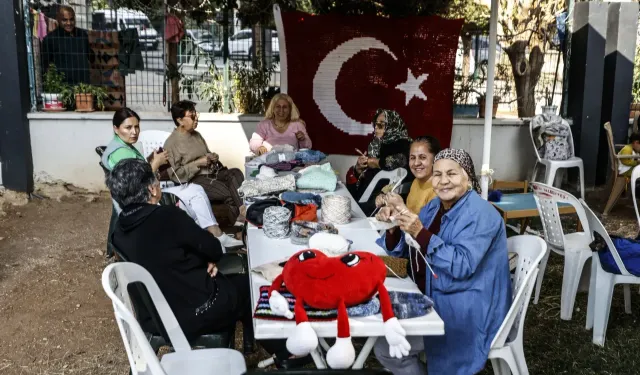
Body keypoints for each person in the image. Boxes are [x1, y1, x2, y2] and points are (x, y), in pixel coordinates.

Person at [373, 148, 512, 375]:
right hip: (435, 295)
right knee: (385, 340)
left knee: (388, 348)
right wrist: (395, 224)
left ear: (468, 176)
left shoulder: (482, 214)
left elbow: (461, 265)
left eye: (452, 174)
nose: (443, 181)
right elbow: (411, 248)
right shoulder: (435, 206)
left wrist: (419, 231)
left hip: (467, 309)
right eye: (437, 174)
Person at [106, 159, 254, 352]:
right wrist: (205, 258)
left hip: (154, 318)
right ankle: (269, 350)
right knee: (246, 285)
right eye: (157, 180)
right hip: (193, 315)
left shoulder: (118, 231)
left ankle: (246, 343)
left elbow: (163, 257)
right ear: (152, 189)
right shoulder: (168, 216)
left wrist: (201, 258)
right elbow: (214, 249)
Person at [102, 107, 242, 249]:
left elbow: (138, 172)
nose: (134, 132)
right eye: (128, 127)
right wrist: (155, 164)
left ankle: (214, 234)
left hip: (148, 194)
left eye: (137, 126)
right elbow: (133, 186)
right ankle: (210, 239)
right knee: (194, 194)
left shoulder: (125, 146)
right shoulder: (120, 152)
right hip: (142, 200)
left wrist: (152, 160)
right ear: (116, 128)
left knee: (196, 190)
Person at [164, 100, 246, 226]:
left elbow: (205, 154)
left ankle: (242, 213)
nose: (196, 118)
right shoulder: (171, 143)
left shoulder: (197, 135)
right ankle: (239, 230)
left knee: (236, 172)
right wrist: (198, 163)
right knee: (230, 193)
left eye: (196, 114)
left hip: (211, 174)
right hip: (193, 180)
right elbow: (175, 175)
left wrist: (211, 157)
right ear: (180, 120)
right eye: (192, 116)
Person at [346, 109, 413, 214]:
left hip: (381, 203)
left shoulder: (405, 144)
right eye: (375, 125)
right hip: (365, 195)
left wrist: (377, 162)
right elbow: (367, 174)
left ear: (393, 127)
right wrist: (359, 168)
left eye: (381, 125)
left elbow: (401, 159)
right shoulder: (376, 145)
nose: (376, 128)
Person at [375, 135, 441, 215]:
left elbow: (424, 226)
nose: (416, 163)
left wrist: (400, 207)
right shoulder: (416, 182)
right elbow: (411, 212)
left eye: (423, 157)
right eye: (412, 158)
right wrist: (392, 211)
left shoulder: (438, 190)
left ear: (435, 159)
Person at [41, 5, 92, 85]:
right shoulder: (50, 39)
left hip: (83, 84)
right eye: (65, 20)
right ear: (58, 20)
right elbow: (44, 65)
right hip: (62, 86)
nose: (69, 23)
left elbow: (90, 56)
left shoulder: (82, 34)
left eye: (71, 19)